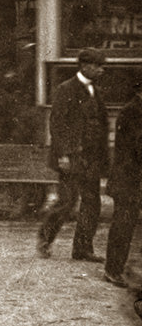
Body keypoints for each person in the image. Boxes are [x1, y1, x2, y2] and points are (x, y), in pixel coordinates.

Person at [38, 48, 109, 261]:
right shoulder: (66, 89)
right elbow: (57, 124)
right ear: (85, 66)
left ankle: (82, 249)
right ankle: (45, 239)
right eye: (98, 66)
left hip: (92, 157)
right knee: (67, 202)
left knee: (91, 203)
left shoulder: (96, 90)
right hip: (72, 157)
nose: (102, 70)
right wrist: (63, 155)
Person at [105, 76, 142, 286]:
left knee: (125, 225)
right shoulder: (133, 111)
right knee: (123, 226)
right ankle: (113, 270)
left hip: (133, 178)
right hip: (128, 179)